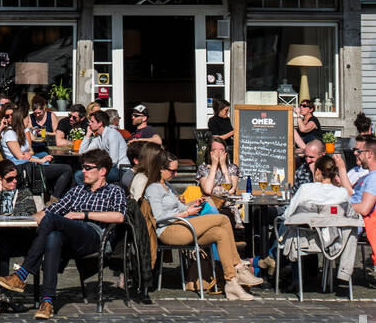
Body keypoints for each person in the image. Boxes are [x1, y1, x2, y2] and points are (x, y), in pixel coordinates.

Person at [0, 150, 125, 319]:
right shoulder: (77, 191)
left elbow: (119, 216)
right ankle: (47, 302)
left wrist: (83, 215)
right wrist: (18, 221)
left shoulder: (114, 191)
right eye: (82, 167)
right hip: (71, 236)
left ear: (102, 171)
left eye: (87, 168)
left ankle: (22, 274)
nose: (82, 171)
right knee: (53, 237)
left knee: (54, 222)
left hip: (95, 235)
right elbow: (48, 212)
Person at [144, 149, 258, 300]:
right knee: (223, 219)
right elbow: (159, 218)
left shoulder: (168, 187)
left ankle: (231, 282)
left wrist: (193, 204)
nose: (175, 174)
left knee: (220, 233)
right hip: (169, 231)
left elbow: (181, 208)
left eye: (177, 170)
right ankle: (238, 266)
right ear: (161, 169)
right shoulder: (153, 188)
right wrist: (185, 214)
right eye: (172, 171)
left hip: (182, 226)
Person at [281, 154, 358, 291]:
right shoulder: (342, 193)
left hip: (305, 242)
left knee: (286, 225)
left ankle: (281, 268)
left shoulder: (306, 189)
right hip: (334, 242)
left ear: (317, 172)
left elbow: (288, 214)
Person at [79, 110, 129, 182]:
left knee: (81, 175)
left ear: (100, 123)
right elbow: (83, 154)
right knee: (80, 174)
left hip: (120, 169)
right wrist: (88, 134)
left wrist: (98, 168)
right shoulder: (98, 137)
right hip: (109, 168)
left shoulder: (112, 133)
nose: (89, 124)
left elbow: (114, 160)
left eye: (92, 122)